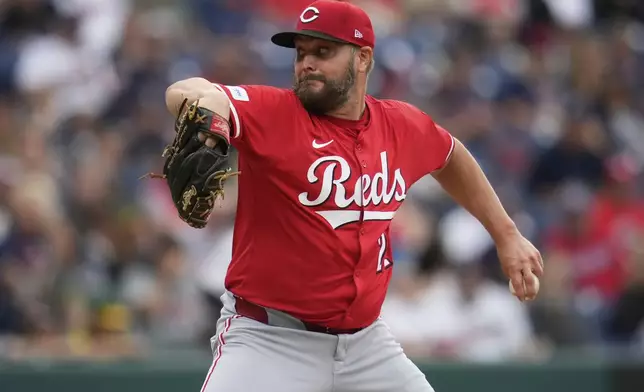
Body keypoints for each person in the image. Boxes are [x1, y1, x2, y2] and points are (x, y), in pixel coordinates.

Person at [163, 1, 544, 391]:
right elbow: (188, 91)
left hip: (366, 345)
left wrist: (506, 234)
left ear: (363, 58)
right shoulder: (273, 112)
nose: (307, 63)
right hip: (269, 340)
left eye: (323, 51)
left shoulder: (401, 125)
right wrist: (208, 112)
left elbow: (451, 157)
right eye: (301, 53)